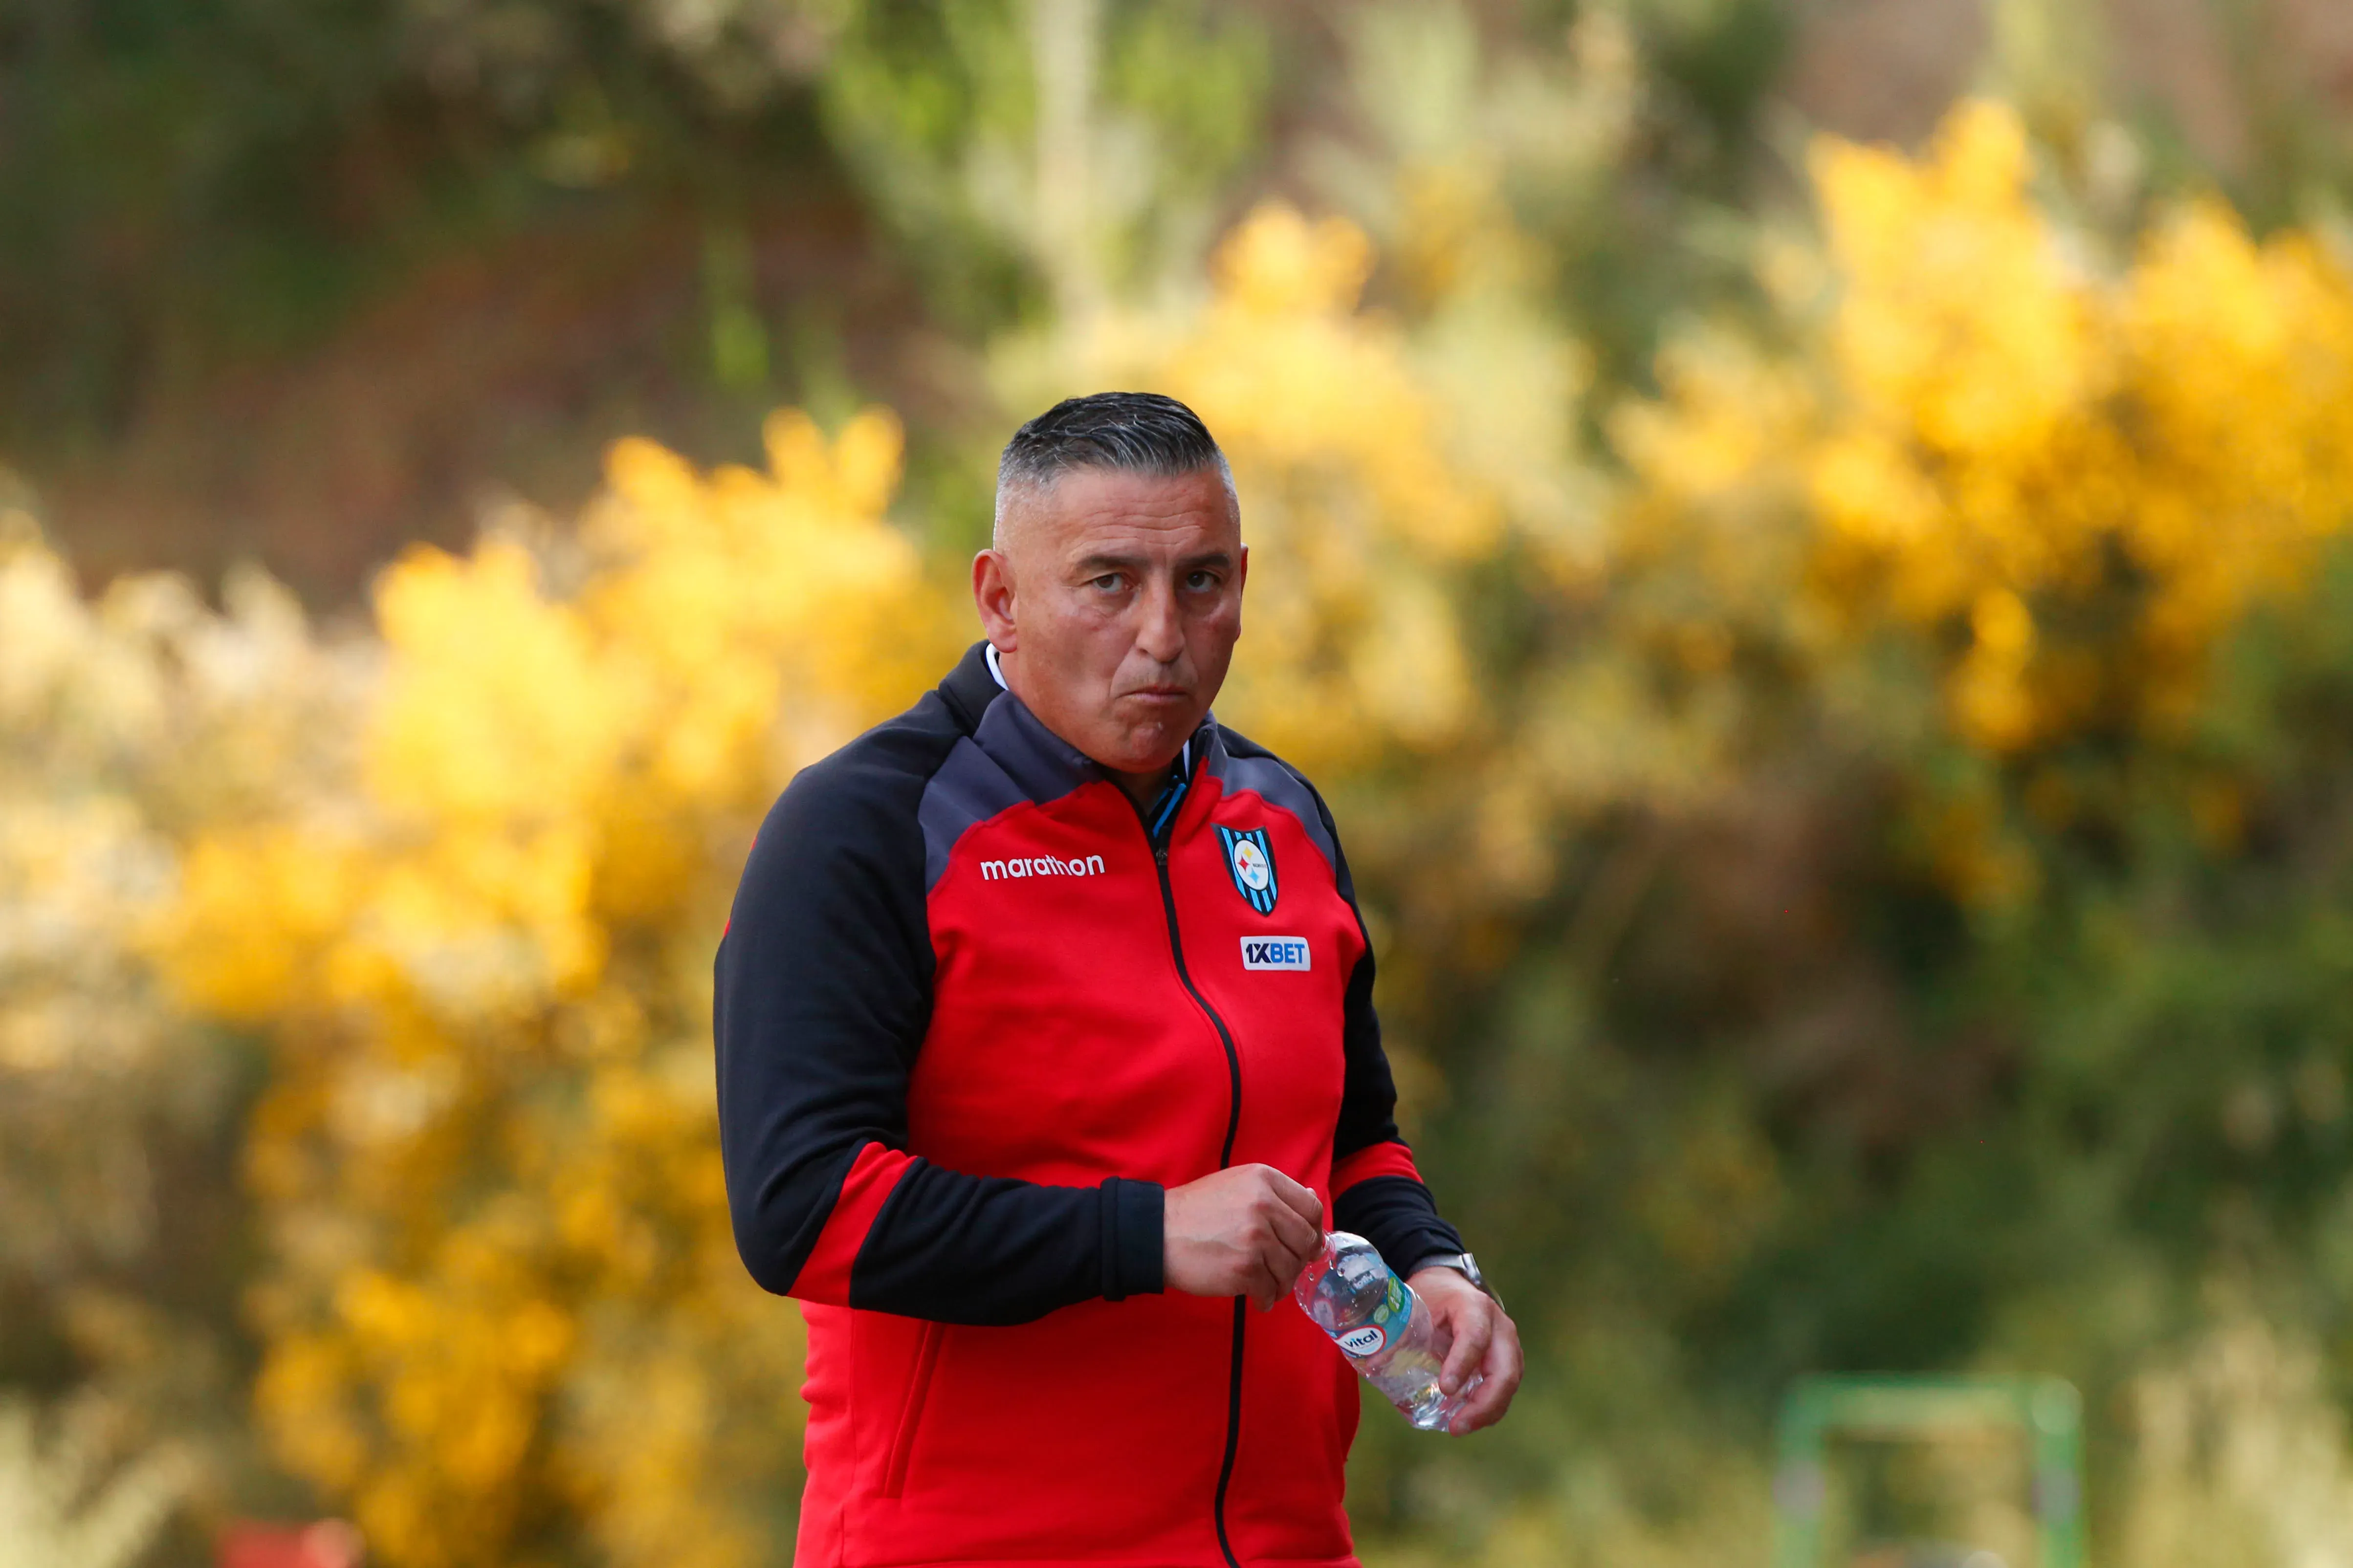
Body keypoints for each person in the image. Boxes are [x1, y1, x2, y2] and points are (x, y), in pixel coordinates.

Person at [715, 391, 1521, 1568]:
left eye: (1201, 581)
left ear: (1244, 579)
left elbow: (1351, 1136)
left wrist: (1431, 1263)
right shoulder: (865, 827)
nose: (1163, 633)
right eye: (1109, 582)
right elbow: (803, 1205)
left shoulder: (1283, 816)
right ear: (1000, 594)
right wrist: (1145, 1235)